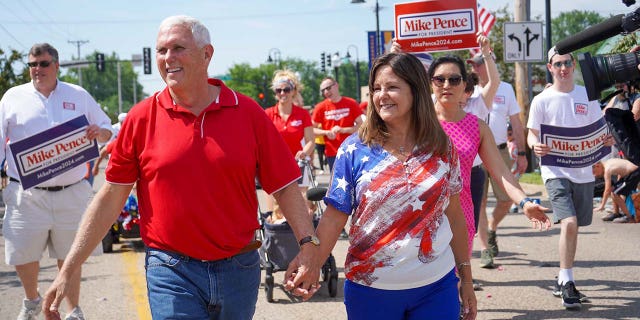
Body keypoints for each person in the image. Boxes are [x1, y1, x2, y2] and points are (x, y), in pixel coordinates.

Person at [42, 15, 320, 320]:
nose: (167, 58)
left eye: (178, 48)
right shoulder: (141, 118)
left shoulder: (247, 113)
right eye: (161, 50)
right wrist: (68, 269)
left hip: (239, 269)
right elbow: (110, 197)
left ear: (207, 54)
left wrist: (308, 246)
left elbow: (284, 187)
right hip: (171, 269)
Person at [306, 52, 478, 320]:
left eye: (392, 87)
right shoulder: (353, 149)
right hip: (370, 291)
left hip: (436, 287)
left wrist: (466, 279)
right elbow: (333, 217)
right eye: (376, 88)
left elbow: (454, 215)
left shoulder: (442, 147)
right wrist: (312, 263)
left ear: (416, 90)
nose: (381, 95)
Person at [0, 43, 113, 320]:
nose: (37, 69)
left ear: (57, 65)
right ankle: (31, 301)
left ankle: (73, 310)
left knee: (71, 253)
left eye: (43, 64)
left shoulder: (78, 94)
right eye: (32, 65)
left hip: (71, 192)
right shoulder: (13, 97)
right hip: (25, 193)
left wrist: (99, 133)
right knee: (23, 252)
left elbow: (108, 128)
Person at [429, 53, 551, 265]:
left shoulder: (478, 127)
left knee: (455, 282)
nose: (446, 84)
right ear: (431, 83)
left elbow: (501, 171)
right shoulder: (419, 123)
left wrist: (524, 202)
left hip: (460, 216)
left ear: (465, 84)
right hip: (422, 216)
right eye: (440, 79)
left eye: (454, 79)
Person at [527, 46, 615, 309]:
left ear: (573, 65)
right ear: (550, 68)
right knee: (569, 222)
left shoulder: (586, 96)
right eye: (558, 64)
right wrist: (534, 145)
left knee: (576, 225)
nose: (563, 68)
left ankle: (563, 277)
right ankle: (567, 282)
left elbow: (598, 131)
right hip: (554, 170)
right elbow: (532, 133)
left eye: (567, 63)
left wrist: (606, 141)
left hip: (583, 170)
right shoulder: (541, 100)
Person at [467, 48, 529, 269]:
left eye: (479, 62)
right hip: (474, 152)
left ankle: (492, 227)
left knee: (507, 198)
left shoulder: (505, 88)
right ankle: (485, 248)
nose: (474, 67)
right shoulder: (467, 90)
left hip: (500, 150)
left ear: (490, 63)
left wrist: (522, 153)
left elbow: (517, 122)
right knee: (480, 202)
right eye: (472, 64)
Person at [264, 69, 315, 216]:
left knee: (303, 206)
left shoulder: (302, 114)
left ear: (293, 91)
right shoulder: (267, 114)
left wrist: (305, 152)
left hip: (298, 163)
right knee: (276, 209)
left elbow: (311, 140)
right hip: (275, 165)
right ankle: (278, 235)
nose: (282, 93)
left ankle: (306, 236)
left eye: (286, 89)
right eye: (278, 90)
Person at [312, 77, 363, 171]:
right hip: (332, 153)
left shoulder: (351, 103)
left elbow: (361, 125)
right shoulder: (320, 107)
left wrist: (343, 130)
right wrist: (326, 132)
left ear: (336, 85)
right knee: (338, 184)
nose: (326, 92)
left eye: (328, 88)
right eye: (323, 90)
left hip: (352, 150)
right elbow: (311, 129)